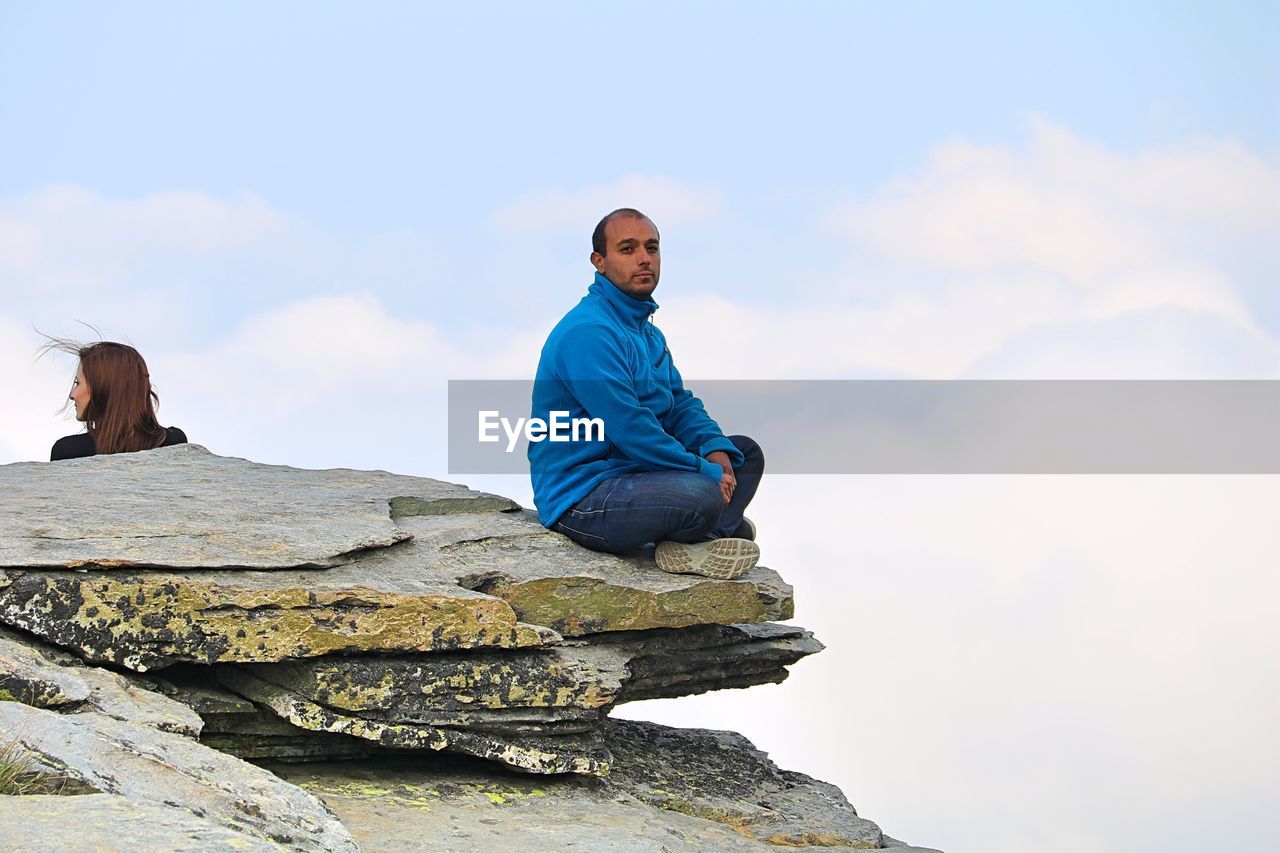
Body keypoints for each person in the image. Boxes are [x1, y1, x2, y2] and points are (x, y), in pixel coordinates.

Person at [529, 208, 764, 579]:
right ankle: (708, 529)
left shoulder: (646, 333)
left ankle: (704, 539)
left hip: (636, 474)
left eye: (651, 248)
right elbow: (630, 427)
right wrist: (703, 471)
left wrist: (714, 448)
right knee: (701, 493)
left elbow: (680, 406)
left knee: (744, 453)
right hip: (584, 497)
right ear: (600, 262)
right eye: (627, 249)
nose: (644, 258)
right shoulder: (589, 333)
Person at [48, 340, 188, 461]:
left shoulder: (68, 452)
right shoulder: (173, 441)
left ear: (102, 388)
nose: (72, 395)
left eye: (77, 383)